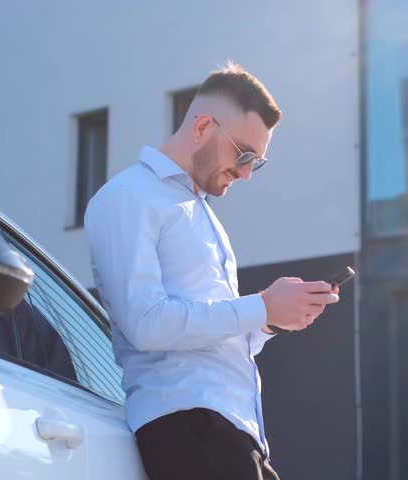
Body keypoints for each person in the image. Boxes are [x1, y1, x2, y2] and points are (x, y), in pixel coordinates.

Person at [85, 62, 340, 480]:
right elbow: (146, 324)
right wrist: (261, 305)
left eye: (255, 162)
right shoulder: (129, 196)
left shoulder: (201, 214)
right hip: (190, 426)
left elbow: (210, 340)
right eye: (243, 154)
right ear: (203, 126)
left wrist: (272, 321)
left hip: (231, 432)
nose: (245, 173)